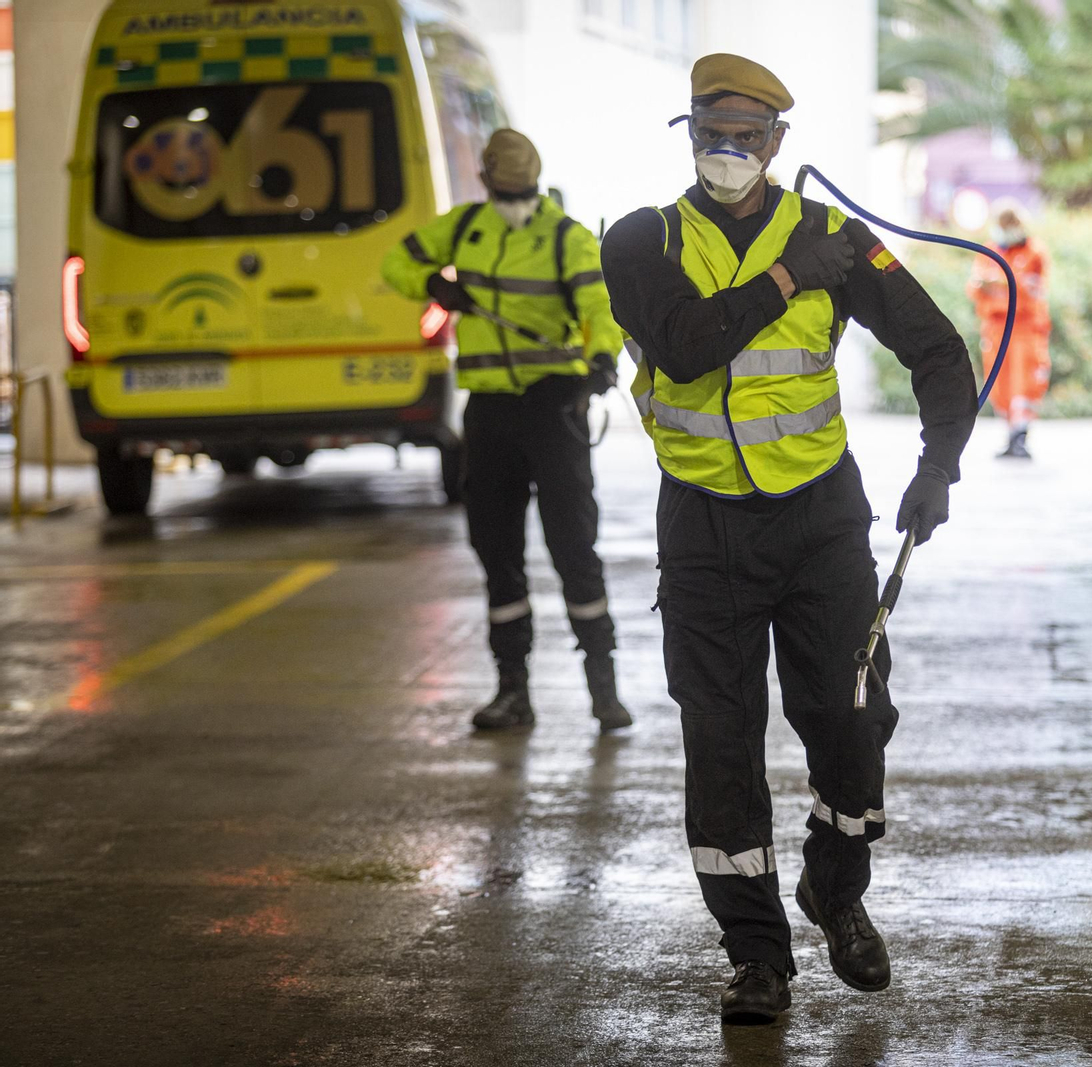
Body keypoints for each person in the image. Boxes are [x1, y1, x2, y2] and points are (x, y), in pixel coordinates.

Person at [600, 54, 977, 1024]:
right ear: (688, 134)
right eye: (711, 133)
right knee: (721, 740)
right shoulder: (640, 242)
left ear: (777, 142)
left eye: (748, 135)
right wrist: (781, 278)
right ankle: (756, 954)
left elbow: (939, 350)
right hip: (703, 526)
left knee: (853, 718)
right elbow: (684, 344)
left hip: (819, 522)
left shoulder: (836, 241)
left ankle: (834, 887)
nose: (728, 151)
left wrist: (939, 464)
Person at [382, 129, 631, 734]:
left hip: (554, 406)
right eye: (504, 187)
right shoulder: (465, 228)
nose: (510, 196)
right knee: (497, 551)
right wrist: (432, 285)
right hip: (490, 413)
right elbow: (396, 262)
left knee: (574, 546)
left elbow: (599, 308)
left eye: (519, 189)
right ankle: (512, 690)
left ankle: (604, 689)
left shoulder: (565, 238)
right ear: (488, 182)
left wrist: (602, 359)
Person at [967, 200, 1051, 459]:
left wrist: (1000, 283)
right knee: (1000, 385)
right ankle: (1011, 435)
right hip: (995, 328)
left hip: (1025, 328)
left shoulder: (1034, 252)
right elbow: (974, 287)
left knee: (1024, 383)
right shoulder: (990, 251)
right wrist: (996, 285)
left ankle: (1021, 436)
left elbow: (1032, 290)